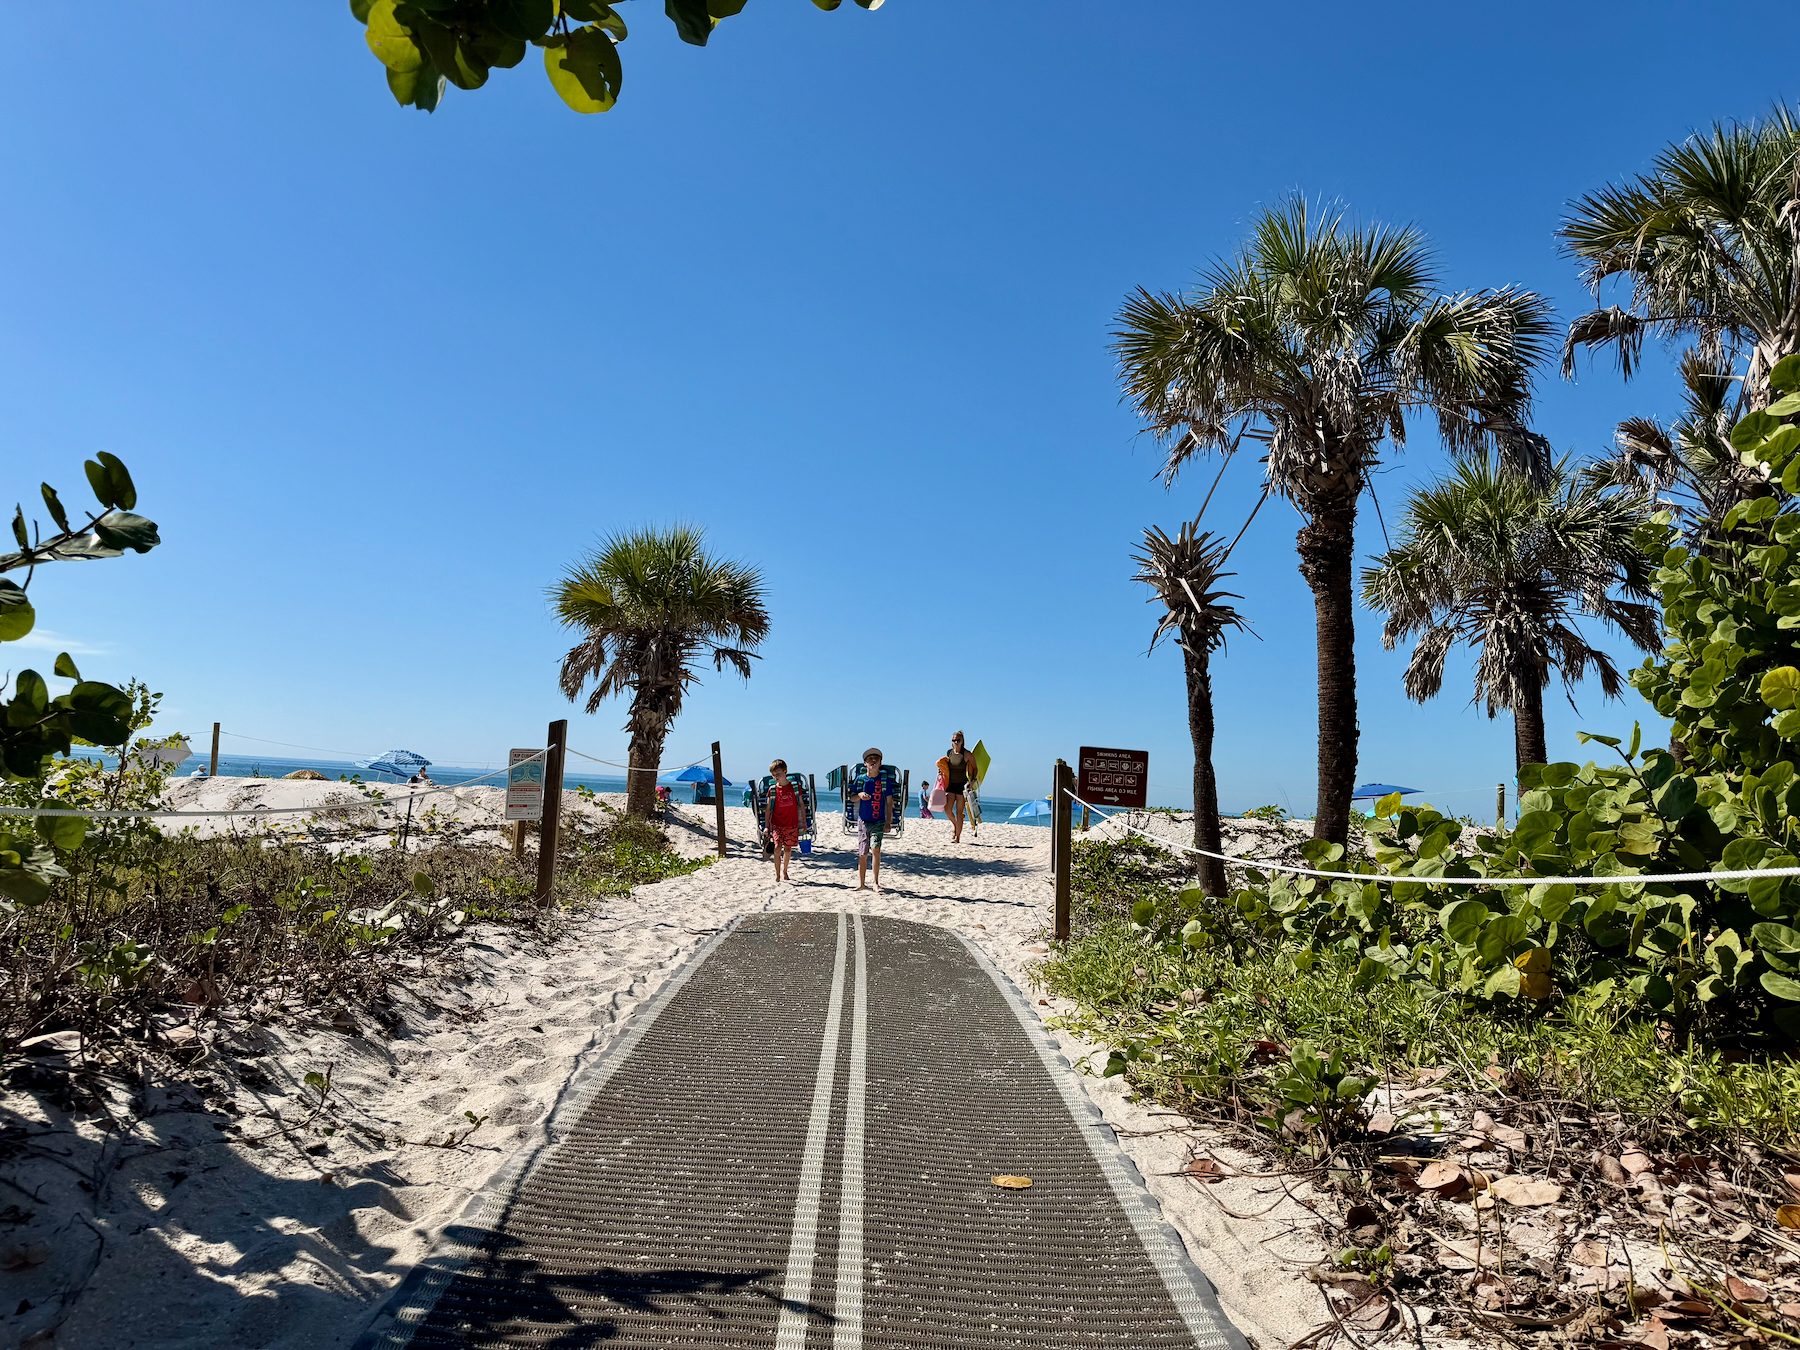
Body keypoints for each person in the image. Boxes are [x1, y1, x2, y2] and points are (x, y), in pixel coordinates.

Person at [852, 747, 889, 893]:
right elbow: (852, 797)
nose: (873, 761)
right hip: (863, 821)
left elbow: (889, 801)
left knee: (876, 849)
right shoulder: (860, 779)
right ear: (865, 763)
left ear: (880, 763)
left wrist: (888, 821)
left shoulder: (884, 780)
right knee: (862, 853)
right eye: (869, 759)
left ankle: (875, 882)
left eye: (876, 759)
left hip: (879, 820)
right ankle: (861, 883)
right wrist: (860, 795)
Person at [766, 759, 803, 885]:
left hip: (791, 824)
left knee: (787, 849)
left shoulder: (794, 788)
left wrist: (803, 822)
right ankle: (777, 874)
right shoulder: (772, 790)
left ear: (785, 772)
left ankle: (785, 870)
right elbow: (768, 809)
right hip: (777, 823)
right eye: (774, 775)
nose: (776, 777)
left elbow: (801, 805)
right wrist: (767, 826)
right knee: (777, 847)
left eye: (778, 774)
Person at [943, 730, 977, 843]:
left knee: (959, 812)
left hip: (962, 787)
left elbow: (975, 768)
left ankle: (957, 837)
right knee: (947, 809)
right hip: (951, 785)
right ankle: (956, 825)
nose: (956, 742)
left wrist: (973, 781)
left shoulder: (967, 754)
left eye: (958, 740)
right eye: (954, 740)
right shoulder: (949, 753)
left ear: (962, 741)